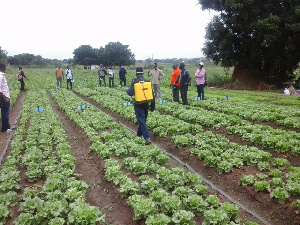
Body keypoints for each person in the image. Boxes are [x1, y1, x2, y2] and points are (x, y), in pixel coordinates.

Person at [126, 67, 155, 145]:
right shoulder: (147, 81)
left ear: (136, 73)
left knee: (141, 121)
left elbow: (130, 93)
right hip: (146, 103)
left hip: (138, 104)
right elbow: (152, 94)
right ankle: (138, 136)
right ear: (142, 73)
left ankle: (147, 138)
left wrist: (127, 90)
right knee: (143, 120)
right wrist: (153, 105)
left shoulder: (134, 82)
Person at [0, 62, 13, 133]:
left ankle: (7, 127)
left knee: (6, 112)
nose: (5, 68)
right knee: (5, 113)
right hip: (4, 97)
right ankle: (5, 129)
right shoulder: (0, 76)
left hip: (5, 96)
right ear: (2, 67)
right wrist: (4, 98)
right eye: (5, 67)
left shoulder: (2, 75)